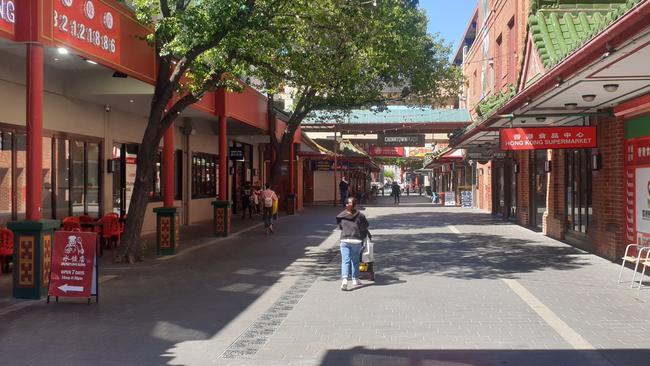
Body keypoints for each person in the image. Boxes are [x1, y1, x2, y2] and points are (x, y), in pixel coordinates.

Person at [336, 197, 369, 291]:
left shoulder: (341, 215)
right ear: (355, 204)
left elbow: (340, 227)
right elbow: (366, 225)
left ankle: (345, 280)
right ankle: (355, 279)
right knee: (355, 261)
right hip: (356, 240)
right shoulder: (360, 215)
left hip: (345, 240)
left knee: (345, 261)